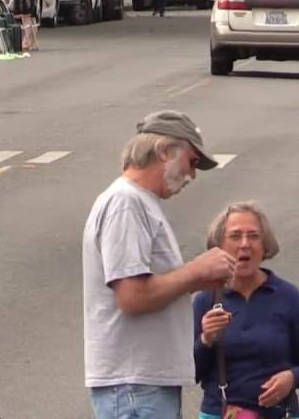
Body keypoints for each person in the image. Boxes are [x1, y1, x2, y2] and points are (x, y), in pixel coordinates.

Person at [82, 110, 236, 419]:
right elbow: (132, 296)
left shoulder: (138, 202)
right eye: (191, 161)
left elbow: (147, 287)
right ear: (165, 151)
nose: (192, 174)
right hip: (135, 385)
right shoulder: (126, 202)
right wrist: (196, 270)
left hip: (142, 384)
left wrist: (196, 280)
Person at [193, 203, 299, 419]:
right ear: (220, 246)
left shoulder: (287, 296)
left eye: (253, 236)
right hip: (220, 412)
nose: (245, 244)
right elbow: (190, 373)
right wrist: (205, 340)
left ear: (264, 245)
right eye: (235, 236)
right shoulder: (206, 299)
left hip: (279, 413)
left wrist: (292, 377)